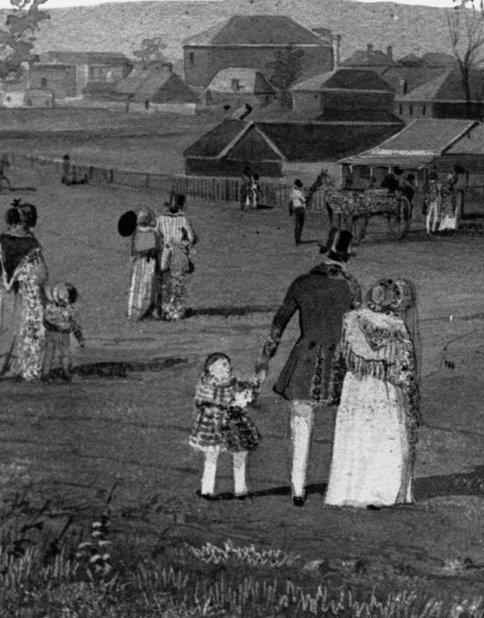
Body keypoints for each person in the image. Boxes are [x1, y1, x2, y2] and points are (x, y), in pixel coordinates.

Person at [259, 229, 362, 507]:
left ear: (325, 252)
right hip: (339, 362)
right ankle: (340, 486)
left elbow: (279, 322)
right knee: (342, 426)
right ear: (346, 258)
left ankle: (297, 489)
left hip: (305, 357)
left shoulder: (302, 282)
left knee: (301, 423)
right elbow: (356, 329)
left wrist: (265, 359)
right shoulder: (352, 285)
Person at [325, 277, 421, 509]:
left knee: (357, 434)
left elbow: (340, 357)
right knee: (383, 435)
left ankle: (351, 491)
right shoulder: (395, 327)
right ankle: (381, 491)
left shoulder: (352, 320)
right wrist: (409, 394)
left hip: (356, 386)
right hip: (384, 388)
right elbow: (405, 367)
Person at [0, 202, 49, 380]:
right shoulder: (31, 243)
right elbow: (42, 273)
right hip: (24, 293)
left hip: (2, 293)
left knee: (0, 328)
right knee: (22, 329)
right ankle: (18, 367)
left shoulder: (3, 240)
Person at [190, 352, 262, 500]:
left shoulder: (234, 384)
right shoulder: (206, 384)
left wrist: (247, 395)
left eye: (228, 365)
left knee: (239, 454)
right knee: (211, 457)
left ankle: (241, 490)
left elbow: (244, 398)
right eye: (222, 365)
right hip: (212, 426)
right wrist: (223, 407)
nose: (227, 368)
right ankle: (207, 490)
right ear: (211, 369)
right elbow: (201, 402)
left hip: (233, 424)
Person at [155, 192, 197, 321]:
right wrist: (185, 242)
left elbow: (156, 235)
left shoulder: (161, 219)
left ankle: (166, 309)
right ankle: (177, 311)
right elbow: (192, 238)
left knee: (166, 280)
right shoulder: (183, 220)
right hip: (179, 251)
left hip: (166, 252)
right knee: (178, 282)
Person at [42, 282, 86, 378]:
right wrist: (80, 339)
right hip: (63, 334)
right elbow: (75, 326)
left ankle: (46, 374)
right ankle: (65, 372)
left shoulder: (50, 307)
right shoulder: (69, 310)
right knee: (64, 354)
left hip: (51, 333)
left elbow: (45, 320)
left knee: (49, 354)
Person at [126, 207, 160, 320]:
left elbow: (134, 250)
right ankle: (146, 309)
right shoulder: (153, 233)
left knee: (136, 286)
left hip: (139, 261)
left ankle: (134, 310)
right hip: (150, 261)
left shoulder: (136, 233)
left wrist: (132, 260)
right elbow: (156, 249)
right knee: (148, 286)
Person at [289, 176, 310, 246]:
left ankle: (297, 239)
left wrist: (290, 209)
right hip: (300, 209)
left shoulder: (293, 191)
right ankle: (297, 239)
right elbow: (302, 200)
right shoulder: (299, 192)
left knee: (297, 225)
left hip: (295, 209)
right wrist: (307, 199)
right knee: (300, 225)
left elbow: (291, 201)